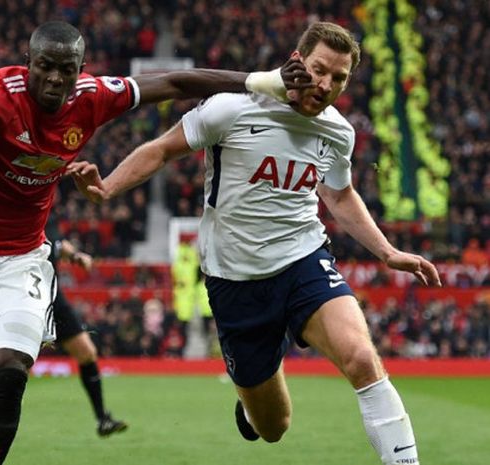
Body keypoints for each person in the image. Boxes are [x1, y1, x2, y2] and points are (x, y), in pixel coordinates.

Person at [0, 20, 310, 465]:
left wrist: (260, 82)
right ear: (28, 63)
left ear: (81, 69)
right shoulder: (0, 95)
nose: (55, 78)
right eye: (45, 67)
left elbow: (175, 82)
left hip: (19, 258)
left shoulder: (92, 96)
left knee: (11, 370)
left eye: (66, 69)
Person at [69, 21, 441, 465]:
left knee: (362, 358)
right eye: (320, 70)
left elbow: (339, 194)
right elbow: (164, 149)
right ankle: (254, 397)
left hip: (303, 260)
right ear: (297, 61)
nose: (326, 85)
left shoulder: (339, 132)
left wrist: (388, 252)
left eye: (338, 78)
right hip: (236, 281)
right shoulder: (231, 108)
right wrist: (107, 188)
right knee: (272, 427)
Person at [44, 213, 128, 437]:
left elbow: (57, 243)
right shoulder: (18, 205)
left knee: (87, 352)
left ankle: (103, 419)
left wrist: (76, 255)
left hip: (52, 296)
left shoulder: (47, 210)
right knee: (10, 360)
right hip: (22, 294)